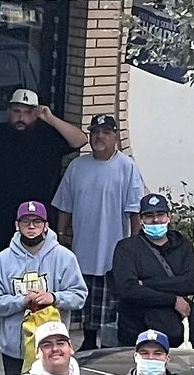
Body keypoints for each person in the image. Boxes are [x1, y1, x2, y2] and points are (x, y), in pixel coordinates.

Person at [0, 90, 82, 343]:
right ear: (9, 111)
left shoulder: (48, 135)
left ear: (35, 114)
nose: (21, 117)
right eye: (16, 111)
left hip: (36, 219)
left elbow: (79, 140)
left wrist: (50, 118)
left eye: (27, 112)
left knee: (37, 267)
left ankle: (38, 316)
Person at [50, 114, 146, 349]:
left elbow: (135, 211)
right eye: (94, 132)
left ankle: (110, 348)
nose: (99, 137)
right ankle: (89, 342)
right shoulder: (77, 166)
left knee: (110, 307)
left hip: (113, 252)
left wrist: (134, 247)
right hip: (82, 249)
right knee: (86, 304)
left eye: (105, 132)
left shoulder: (127, 167)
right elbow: (64, 205)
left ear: (115, 137)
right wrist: (60, 237)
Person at [0, 202, 85, 375]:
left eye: (37, 221)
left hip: (53, 351)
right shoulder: (2, 260)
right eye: (25, 221)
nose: (31, 226)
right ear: (17, 225)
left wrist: (54, 298)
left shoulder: (65, 258)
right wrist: (21, 301)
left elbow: (79, 296)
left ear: (46, 225)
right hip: (15, 351)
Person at [109, 192, 194, 351]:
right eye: (149, 216)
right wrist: (172, 300)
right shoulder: (126, 248)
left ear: (169, 217)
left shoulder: (183, 246)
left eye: (160, 214)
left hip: (176, 334)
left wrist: (145, 284)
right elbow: (127, 289)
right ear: (141, 220)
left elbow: (189, 284)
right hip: (136, 332)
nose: (155, 220)